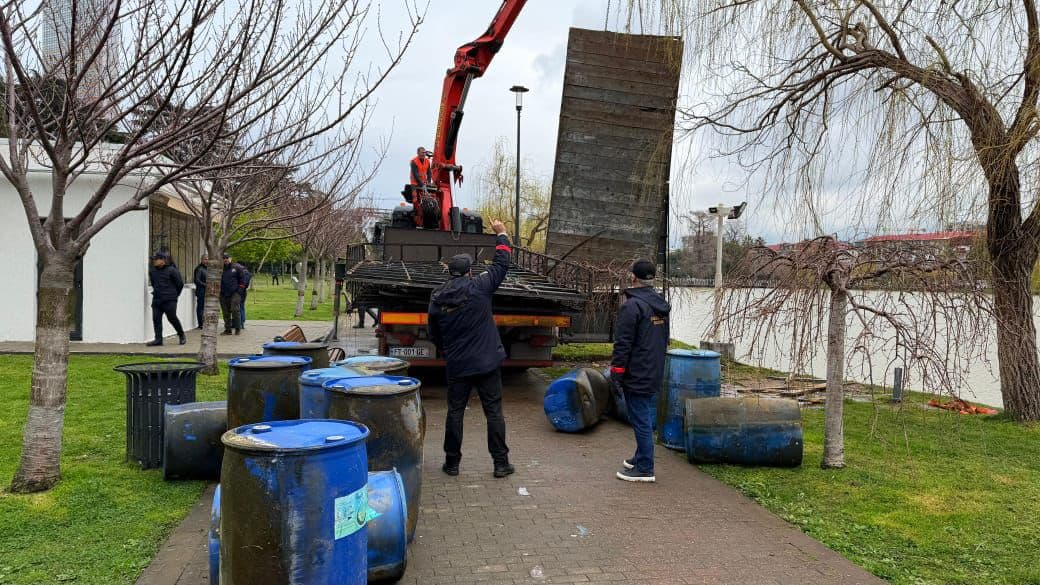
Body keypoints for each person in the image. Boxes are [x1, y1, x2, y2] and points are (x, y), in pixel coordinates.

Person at [428, 219, 514, 479]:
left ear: (450, 273)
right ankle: (501, 464)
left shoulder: (437, 297)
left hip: (458, 365)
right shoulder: (481, 287)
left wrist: (446, 351)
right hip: (487, 363)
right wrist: (501, 234)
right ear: (469, 272)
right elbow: (502, 264)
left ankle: (452, 464)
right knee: (494, 412)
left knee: (455, 411)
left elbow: (434, 333)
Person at [609, 259, 670, 483]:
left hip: (637, 371)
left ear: (633, 277)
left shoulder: (631, 306)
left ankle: (645, 468)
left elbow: (623, 344)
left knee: (640, 417)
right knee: (641, 414)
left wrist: (616, 371)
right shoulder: (660, 304)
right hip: (653, 368)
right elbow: (663, 339)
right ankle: (640, 456)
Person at [147, 251, 186, 346]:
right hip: (157, 299)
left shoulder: (172, 270)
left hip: (169, 300)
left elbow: (180, 284)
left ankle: (181, 334)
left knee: (172, 318)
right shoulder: (152, 271)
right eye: (153, 259)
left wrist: (174, 295)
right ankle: (158, 340)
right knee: (156, 319)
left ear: (163, 260)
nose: (154, 261)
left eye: (156, 259)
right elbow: (153, 283)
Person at [219, 253, 248, 335]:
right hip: (223, 294)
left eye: (227, 258)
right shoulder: (219, 269)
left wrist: (239, 291)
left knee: (235, 310)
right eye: (224, 258)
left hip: (235, 293)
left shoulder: (237, 267)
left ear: (231, 258)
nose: (225, 259)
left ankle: (238, 329)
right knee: (225, 312)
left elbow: (243, 280)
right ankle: (228, 330)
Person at [193, 254, 208, 330]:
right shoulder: (199, 269)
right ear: (201, 260)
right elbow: (197, 280)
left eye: (207, 259)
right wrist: (206, 285)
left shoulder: (208, 269)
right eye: (205, 259)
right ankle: (200, 324)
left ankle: (205, 323)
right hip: (201, 291)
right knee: (200, 308)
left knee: (206, 308)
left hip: (208, 291)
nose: (206, 260)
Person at [239, 264, 252, 329]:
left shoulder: (242, 272)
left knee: (239, 307)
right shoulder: (248, 273)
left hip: (240, 291)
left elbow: (243, 282)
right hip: (244, 291)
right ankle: (242, 321)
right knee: (242, 306)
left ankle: (241, 323)